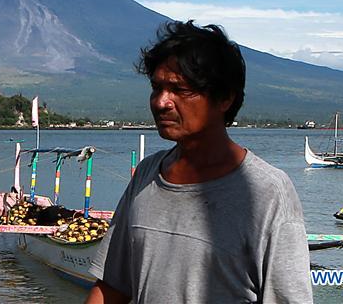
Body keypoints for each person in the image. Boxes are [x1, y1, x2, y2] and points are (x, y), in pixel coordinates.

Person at [86, 21, 312, 304]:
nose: (161, 102)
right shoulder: (147, 175)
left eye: (180, 90)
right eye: (157, 87)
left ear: (224, 98)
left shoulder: (267, 192)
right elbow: (111, 288)